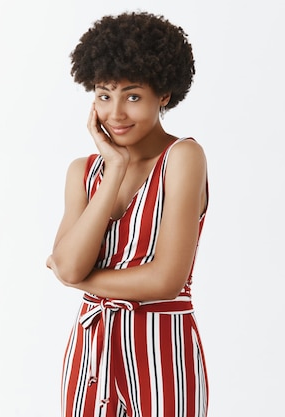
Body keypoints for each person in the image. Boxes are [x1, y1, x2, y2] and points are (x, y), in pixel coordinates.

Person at [46, 11, 209, 417]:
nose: (115, 113)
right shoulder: (83, 173)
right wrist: (114, 169)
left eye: (132, 96)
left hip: (162, 349)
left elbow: (166, 280)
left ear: (164, 95)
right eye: (104, 95)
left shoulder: (182, 158)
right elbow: (69, 264)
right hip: (90, 354)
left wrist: (80, 280)